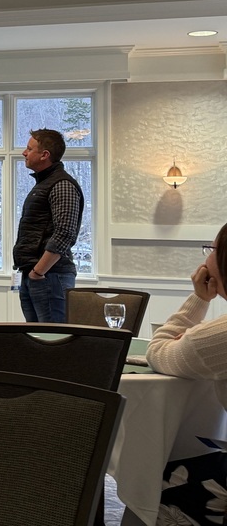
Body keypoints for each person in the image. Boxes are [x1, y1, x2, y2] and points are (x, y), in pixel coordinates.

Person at [148, 224, 227, 525]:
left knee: (163, 481)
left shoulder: (216, 339)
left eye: (212, 250)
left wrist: (199, 300)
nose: (206, 259)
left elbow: (158, 352)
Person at [14, 128, 83, 323]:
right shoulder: (45, 184)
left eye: (29, 149)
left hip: (50, 277)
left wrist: (38, 272)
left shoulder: (62, 184)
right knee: (37, 339)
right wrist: (33, 273)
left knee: (53, 341)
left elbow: (65, 233)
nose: (24, 153)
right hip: (36, 274)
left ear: (45, 155)